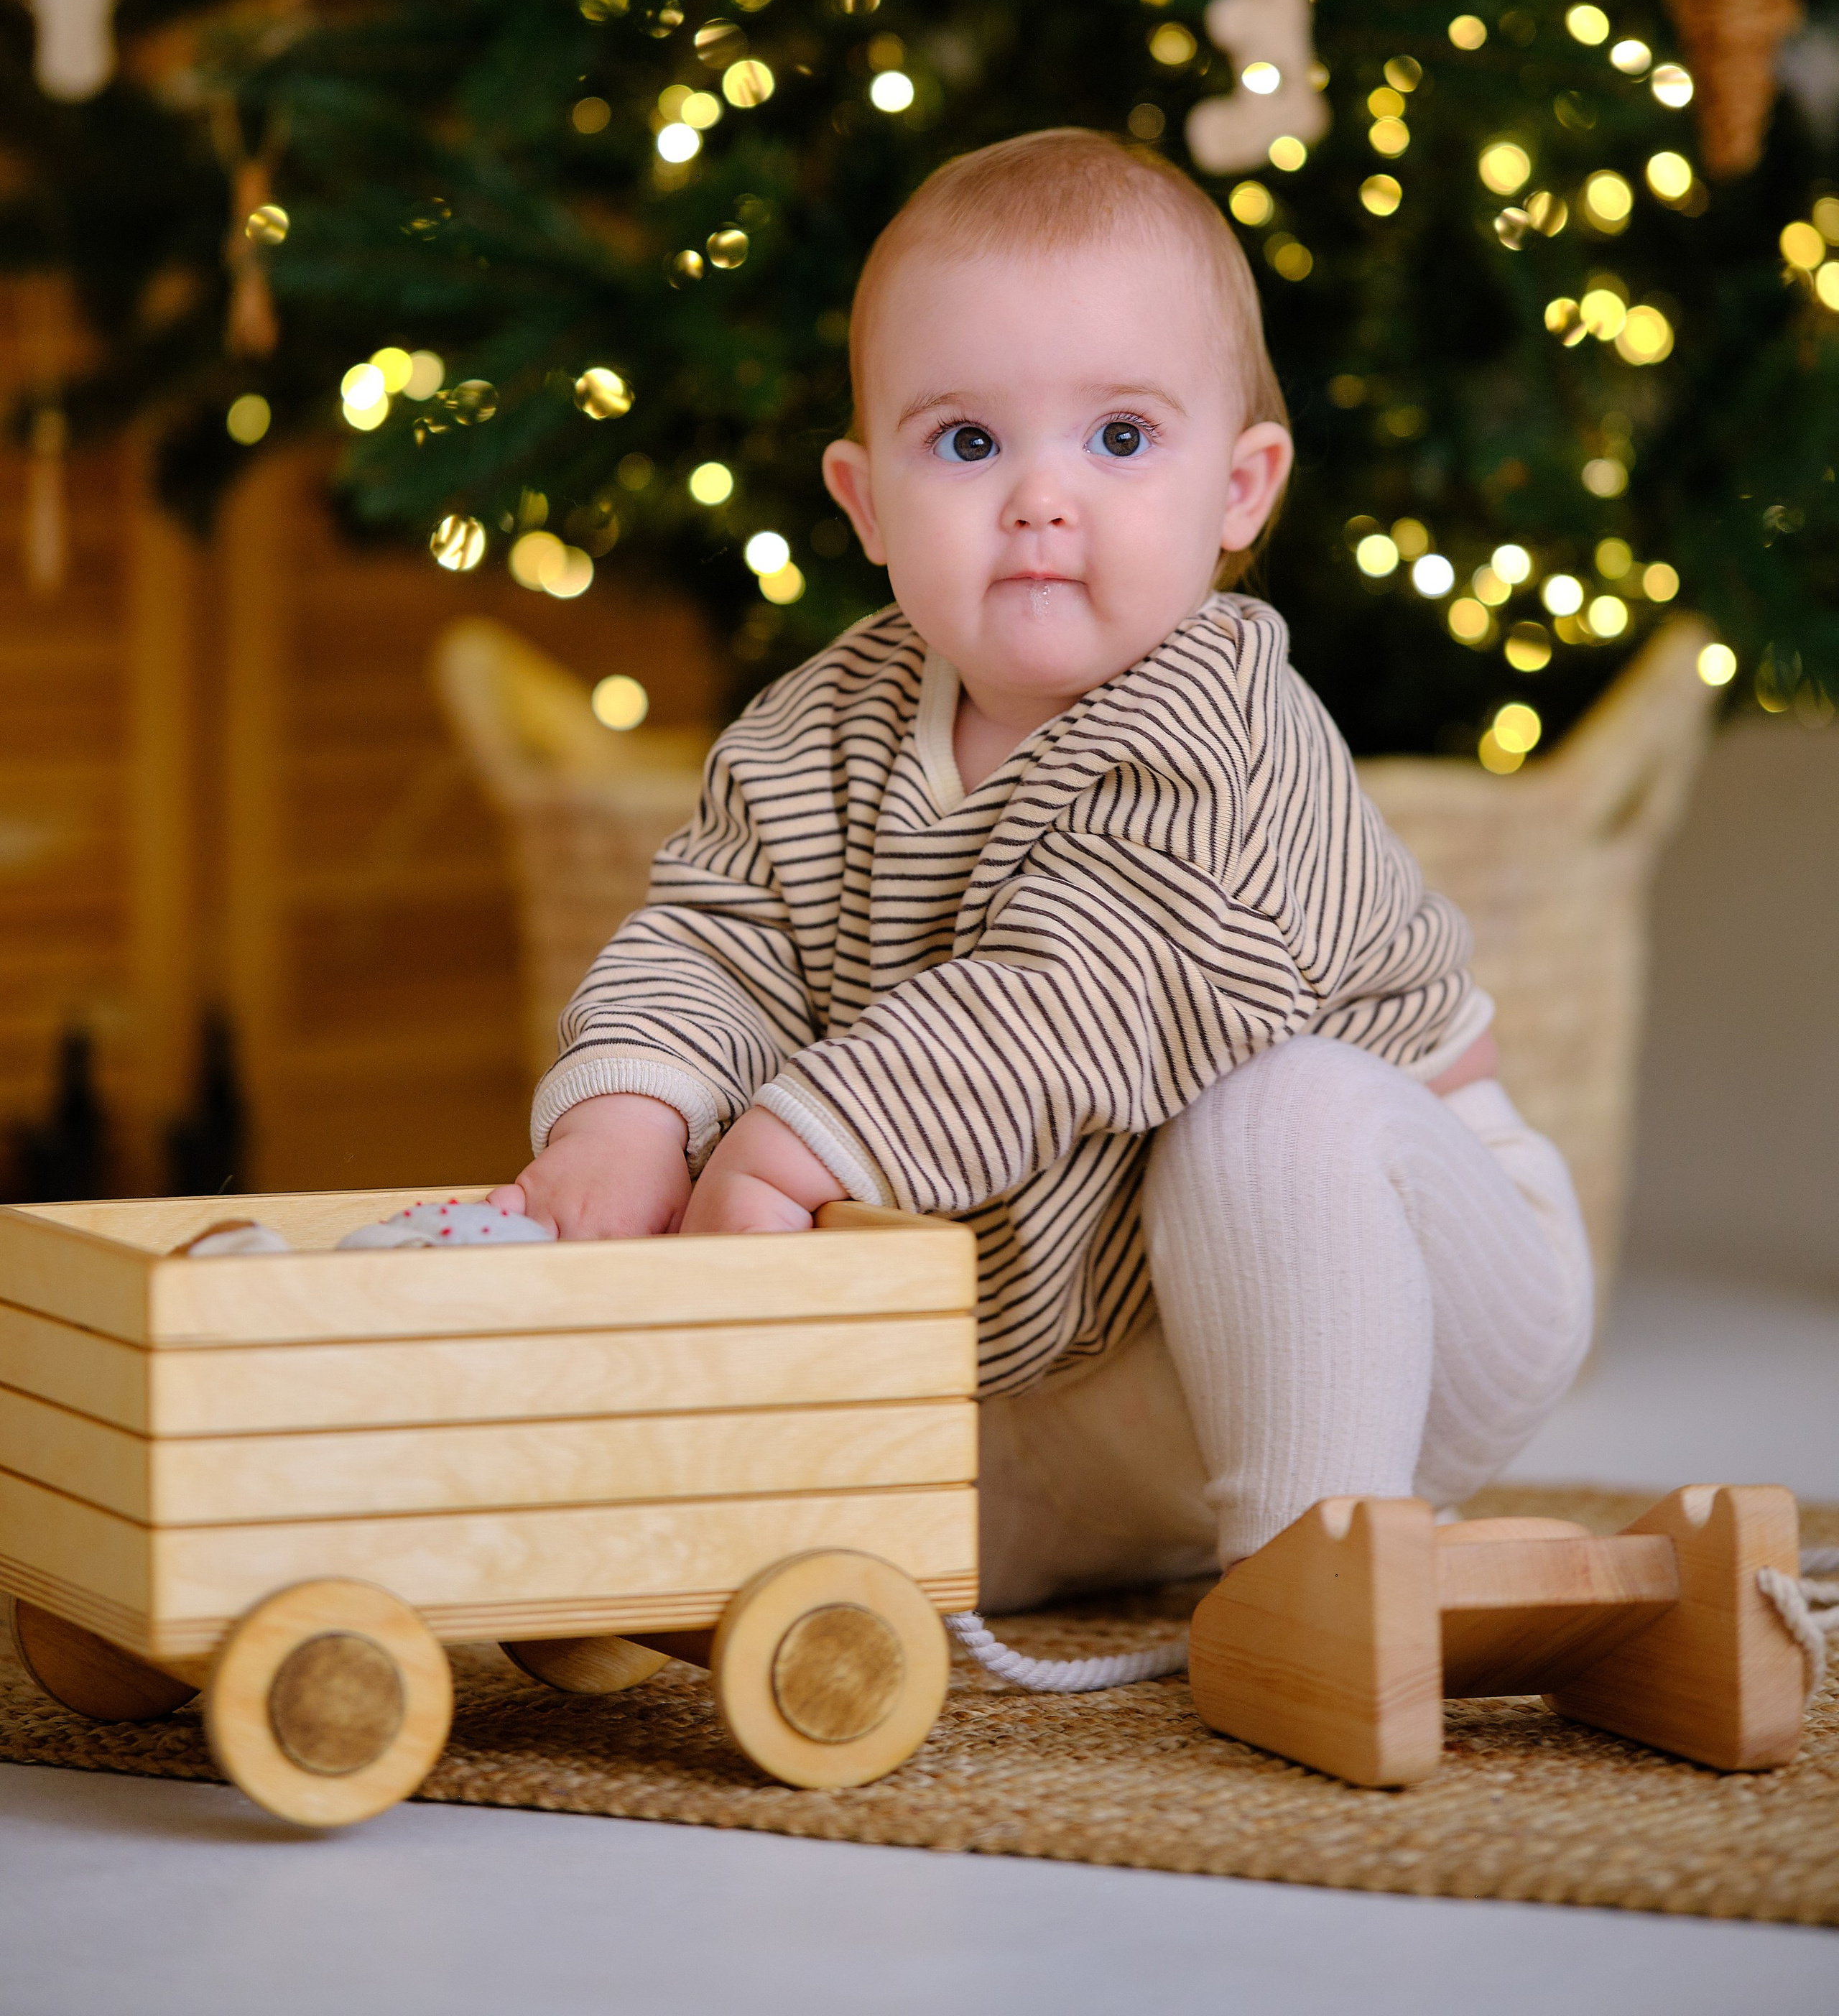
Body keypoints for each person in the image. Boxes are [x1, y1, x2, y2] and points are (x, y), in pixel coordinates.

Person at [490, 130, 1591, 1604]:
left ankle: (1309, 1579)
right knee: (846, 1523)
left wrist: (787, 1143)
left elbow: (1074, 998)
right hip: (1093, 1348)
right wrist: (629, 1109)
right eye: (966, 442)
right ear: (866, 500)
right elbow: (715, 935)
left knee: (1273, 1117)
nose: (1038, 499)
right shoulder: (821, 727)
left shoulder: (1218, 720)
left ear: (1238, 489)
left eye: (1120, 439)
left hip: (1401, 1280)